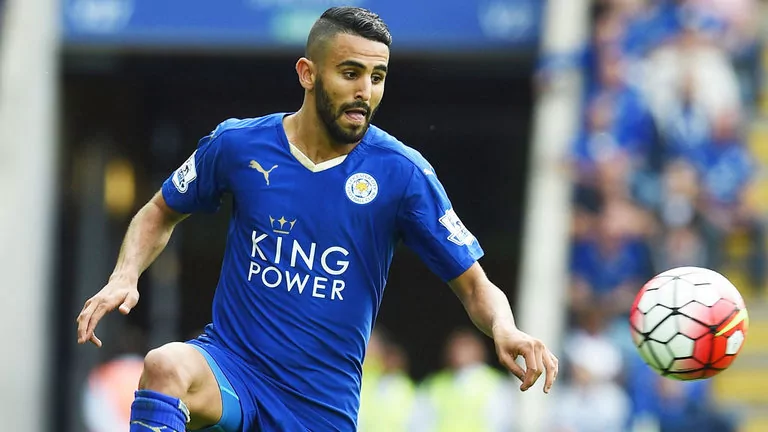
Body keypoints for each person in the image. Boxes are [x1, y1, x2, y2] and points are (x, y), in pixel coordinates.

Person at [75, 6, 558, 432]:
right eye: (350, 73)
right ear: (307, 73)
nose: (365, 91)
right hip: (233, 368)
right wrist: (125, 275)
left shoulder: (402, 174)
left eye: (377, 77)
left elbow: (474, 285)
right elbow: (159, 211)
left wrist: (505, 327)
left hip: (318, 406)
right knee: (165, 365)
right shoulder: (239, 145)